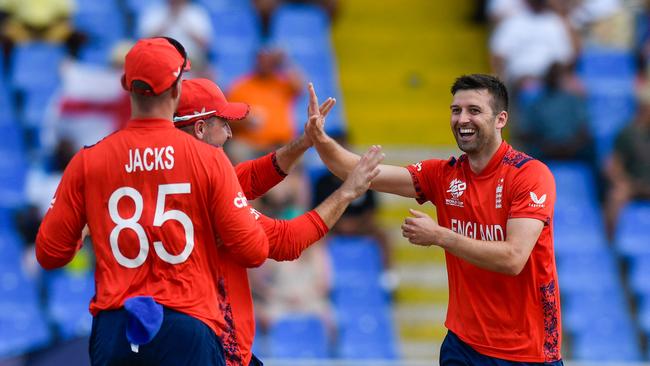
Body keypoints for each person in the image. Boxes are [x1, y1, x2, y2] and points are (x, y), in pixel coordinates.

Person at [35, 37, 272, 366]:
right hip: (188, 324)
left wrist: (85, 231)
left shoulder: (88, 161)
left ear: (126, 87)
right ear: (177, 89)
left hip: (116, 328)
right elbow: (254, 251)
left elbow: (49, 253)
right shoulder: (208, 159)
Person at [305, 75, 563, 365]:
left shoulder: (530, 175)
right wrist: (320, 139)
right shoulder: (442, 174)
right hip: (463, 344)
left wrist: (440, 235)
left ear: (500, 119)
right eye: (456, 110)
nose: (462, 118)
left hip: (525, 351)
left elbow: (513, 258)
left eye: (474, 110)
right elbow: (355, 171)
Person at [172, 78, 384, 365]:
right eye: (223, 124)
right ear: (199, 129)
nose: (231, 134)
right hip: (215, 344)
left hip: (182, 333)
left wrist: (305, 142)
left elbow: (248, 178)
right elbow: (287, 240)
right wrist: (348, 191)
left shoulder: (171, 177)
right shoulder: (208, 191)